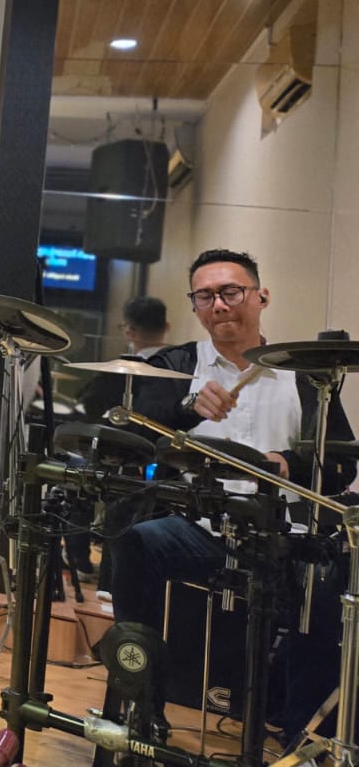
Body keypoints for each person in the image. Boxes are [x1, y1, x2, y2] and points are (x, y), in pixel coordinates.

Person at [105, 248, 354, 733]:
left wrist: (290, 463)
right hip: (201, 529)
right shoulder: (179, 364)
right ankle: (141, 702)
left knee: (328, 580)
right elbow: (133, 438)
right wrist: (186, 408)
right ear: (195, 306)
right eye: (205, 296)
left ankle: (302, 731)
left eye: (231, 292)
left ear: (261, 297)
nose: (218, 304)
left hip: (284, 536)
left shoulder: (304, 375)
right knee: (137, 542)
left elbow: (342, 464)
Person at [79, 295, 170, 421]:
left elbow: (89, 406)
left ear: (129, 331)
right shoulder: (183, 368)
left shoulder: (114, 374)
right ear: (167, 327)